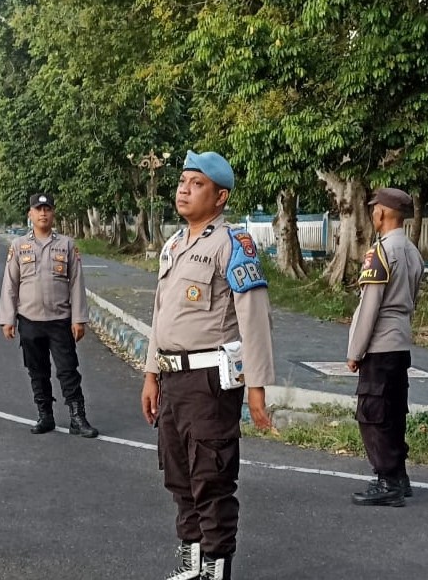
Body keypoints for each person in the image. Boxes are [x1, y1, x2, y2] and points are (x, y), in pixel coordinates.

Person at [139, 150, 275, 580]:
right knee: (179, 475)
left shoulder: (231, 244)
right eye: (182, 180)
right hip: (173, 379)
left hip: (211, 381)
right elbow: (160, 315)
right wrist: (150, 374)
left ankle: (216, 569)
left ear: (220, 197)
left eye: (197, 183)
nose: (184, 189)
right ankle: (192, 561)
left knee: (211, 477)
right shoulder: (174, 245)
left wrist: (256, 386)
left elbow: (254, 317)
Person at [347, 188, 424, 507]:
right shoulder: (412, 251)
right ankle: (399, 477)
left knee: (373, 414)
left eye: (375, 209)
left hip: (379, 344)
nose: (373, 213)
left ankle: (387, 481)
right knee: (393, 411)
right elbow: (414, 297)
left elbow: (370, 305)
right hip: (400, 341)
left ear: (383, 214)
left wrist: (355, 350)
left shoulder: (380, 252)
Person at [0, 193, 98, 439]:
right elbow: (10, 284)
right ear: (30, 214)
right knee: (37, 370)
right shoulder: (19, 245)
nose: (43, 213)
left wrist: (78, 319)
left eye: (47, 209)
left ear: (53, 213)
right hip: (29, 321)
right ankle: (45, 415)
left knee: (68, 370)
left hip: (60, 320)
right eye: (38, 209)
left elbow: (76, 283)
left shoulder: (66, 244)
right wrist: (8, 318)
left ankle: (78, 417)